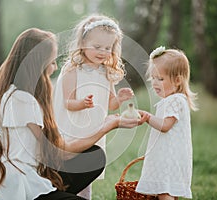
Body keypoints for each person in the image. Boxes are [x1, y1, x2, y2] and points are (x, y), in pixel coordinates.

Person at [0, 28, 144, 200]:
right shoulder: (22, 100)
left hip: (27, 178)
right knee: (92, 158)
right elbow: (60, 153)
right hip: (16, 189)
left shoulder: (8, 94)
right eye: (51, 62)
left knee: (94, 156)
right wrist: (106, 127)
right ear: (38, 65)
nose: (55, 67)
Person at [53, 14, 133, 200]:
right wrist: (81, 104)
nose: (103, 52)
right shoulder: (73, 69)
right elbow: (67, 102)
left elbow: (110, 104)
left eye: (108, 48)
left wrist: (119, 99)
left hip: (94, 130)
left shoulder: (106, 71)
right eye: (97, 47)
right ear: (82, 42)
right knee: (70, 172)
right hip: (73, 130)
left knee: (87, 172)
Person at [135, 46, 198, 200]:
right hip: (168, 156)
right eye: (153, 78)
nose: (155, 83)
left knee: (164, 192)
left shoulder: (175, 100)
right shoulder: (171, 99)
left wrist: (148, 117)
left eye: (160, 79)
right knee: (166, 191)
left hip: (169, 159)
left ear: (177, 80)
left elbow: (165, 126)